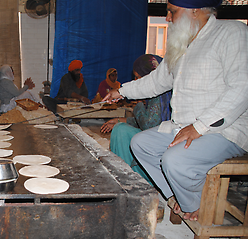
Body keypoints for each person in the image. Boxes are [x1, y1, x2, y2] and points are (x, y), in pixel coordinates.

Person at [103, 0, 248, 221]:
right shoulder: (182, 43)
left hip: (224, 130)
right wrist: (121, 92)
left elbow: (242, 87)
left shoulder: (232, 32)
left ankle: (193, 205)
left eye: (172, 12)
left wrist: (199, 126)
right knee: (140, 144)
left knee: (175, 159)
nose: (168, 18)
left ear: (195, 10)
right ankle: (180, 198)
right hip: (185, 126)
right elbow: (157, 81)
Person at [100, 54, 172, 183]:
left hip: (164, 144)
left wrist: (138, 104)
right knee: (120, 126)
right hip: (161, 136)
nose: (137, 81)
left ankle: (134, 180)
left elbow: (149, 125)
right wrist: (120, 120)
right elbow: (151, 121)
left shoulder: (158, 94)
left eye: (139, 78)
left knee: (121, 131)